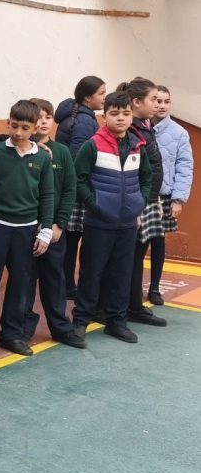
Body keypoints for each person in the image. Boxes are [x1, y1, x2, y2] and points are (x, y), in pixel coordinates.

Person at [0, 100, 54, 359]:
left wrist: (45, 229)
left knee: (21, 283)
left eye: (25, 128)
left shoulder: (42, 157)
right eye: (14, 126)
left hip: (26, 230)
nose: (18, 132)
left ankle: (12, 334)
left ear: (35, 129)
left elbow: (47, 194)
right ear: (8, 123)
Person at [72, 91, 152, 344]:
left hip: (127, 224)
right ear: (104, 116)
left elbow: (147, 178)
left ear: (131, 116)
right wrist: (94, 203)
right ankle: (81, 321)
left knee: (122, 273)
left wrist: (140, 202)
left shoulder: (138, 145)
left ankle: (117, 322)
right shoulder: (92, 145)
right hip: (98, 223)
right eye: (114, 113)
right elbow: (78, 179)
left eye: (126, 113)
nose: (121, 118)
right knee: (91, 272)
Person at [22, 99, 84, 349]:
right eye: (38, 117)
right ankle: (22, 328)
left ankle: (60, 327)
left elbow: (69, 190)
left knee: (54, 280)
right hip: (25, 228)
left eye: (48, 117)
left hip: (54, 230)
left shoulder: (62, 152)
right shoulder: (19, 151)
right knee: (24, 280)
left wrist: (59, 224)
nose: (43, 122)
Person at [119, 77, 168, 328]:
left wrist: (155, 199)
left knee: (139, 254)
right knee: (133, 255)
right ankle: (130, 306)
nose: (157, 104)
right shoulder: (132, 130)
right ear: (137, 102)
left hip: (147, 199)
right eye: (153, 99)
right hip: (136, 202)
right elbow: (134, 172)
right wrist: (140, 204)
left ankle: (134, 305)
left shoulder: (145, 127)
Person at [54, 76, 106, 300]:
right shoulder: (84, 121)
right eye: (101, 93)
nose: (104, 98)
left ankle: (66, 284)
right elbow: (78, 159)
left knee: (70, 239)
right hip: (75, 190)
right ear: (87, 97)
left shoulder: (76, 114)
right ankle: (68, 286)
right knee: (72, 239)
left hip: (69, 186)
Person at [150, 86, 194, 305]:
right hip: (142, 195)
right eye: (157, 100)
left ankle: (154, 288)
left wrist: (178, 199)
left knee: (158, 242)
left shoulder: (179, 133)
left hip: (165, 196)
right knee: (136, 244)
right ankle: (131, 289)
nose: (161, 105)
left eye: (166, 101)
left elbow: (184, 167)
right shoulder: (140, 127)